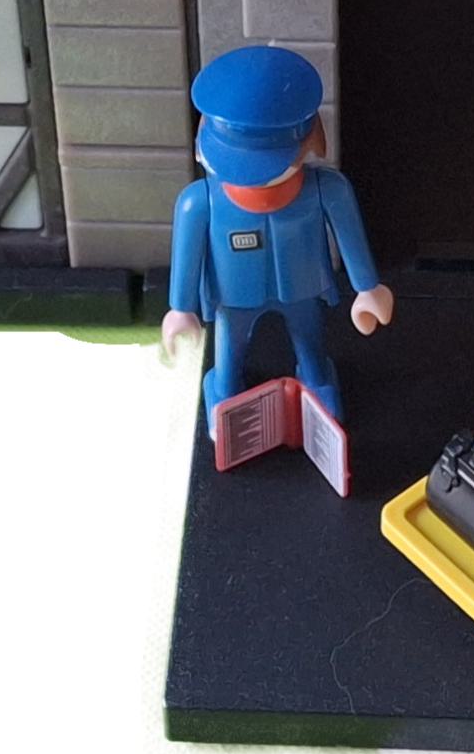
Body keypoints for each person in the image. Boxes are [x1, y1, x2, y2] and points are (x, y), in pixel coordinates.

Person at [163, 44, 392, 487]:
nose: (254, 180)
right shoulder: (200, 202)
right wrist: (181, 309)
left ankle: (317, 382)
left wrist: (368, 288)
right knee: (229, 355)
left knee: (311, 346)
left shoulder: (326, 189)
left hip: (303, 289)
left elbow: (349, 236)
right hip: (234, 298)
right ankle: (224, 392)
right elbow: (187, 255)